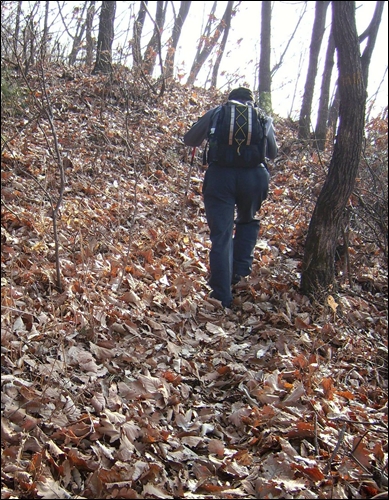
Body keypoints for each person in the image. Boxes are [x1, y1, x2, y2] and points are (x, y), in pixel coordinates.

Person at [183, 87, 278, 308]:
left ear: (231, 100)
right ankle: (239, 276)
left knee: (222, 234)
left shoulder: (218, 112)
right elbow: (272, 153)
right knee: (248, 221)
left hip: (220, 178)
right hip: (255, 178)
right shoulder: (263, 117)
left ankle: (221, 295)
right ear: (251, 102)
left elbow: (190, 139)